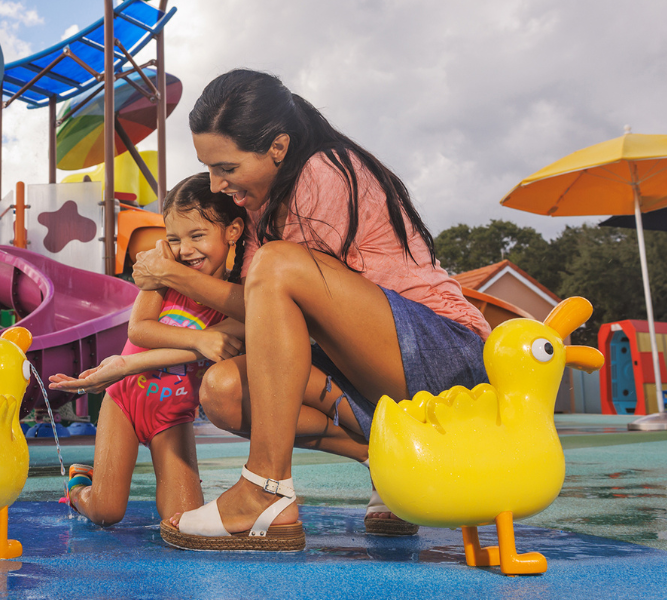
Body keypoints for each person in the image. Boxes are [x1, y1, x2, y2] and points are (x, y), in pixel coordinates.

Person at [135, 70, 490, 551]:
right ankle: (390, 462)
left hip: (445, 358)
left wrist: (174, 276)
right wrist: (126, 360)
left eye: (228, 168)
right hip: (375, 377)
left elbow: (278, 283)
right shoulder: (263, 206)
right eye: (209, 168)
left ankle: (264, 489)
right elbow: (262, 316)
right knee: (222, 391)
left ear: (278, 147)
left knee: (277, 264)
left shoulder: (323, 171)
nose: (216, 185)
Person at [48, 174, 281, 526]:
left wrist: (201, 343)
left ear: (233, 231)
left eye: (197, 235)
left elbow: (219, 342)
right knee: (106, 512)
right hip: (125, 399)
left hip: (172, 415)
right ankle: (81, 484)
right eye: (174, 238)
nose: (185, 249)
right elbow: (140, 328)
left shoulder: (240, 299)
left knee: (182, 519)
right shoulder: (165, 274)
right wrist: (198, 340)